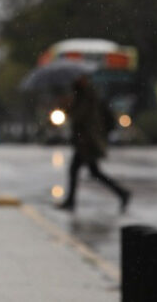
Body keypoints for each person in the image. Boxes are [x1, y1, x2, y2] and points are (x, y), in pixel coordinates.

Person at [58, 74, 130, 212]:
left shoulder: (87, 96)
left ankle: (71, 201)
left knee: (79, 171)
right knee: (93, 172)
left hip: (87, 141)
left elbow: (80, 117)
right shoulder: (82, 95)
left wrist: (69, 108)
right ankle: (122, 193)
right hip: (84, 141)